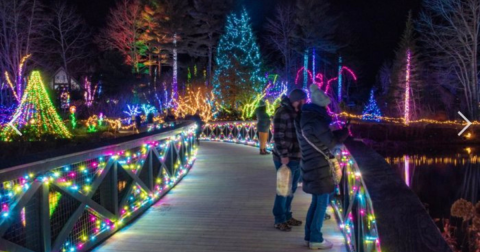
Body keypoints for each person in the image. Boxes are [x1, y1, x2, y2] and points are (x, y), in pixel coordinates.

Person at [296, 84, 349, 250]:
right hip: (319, 166)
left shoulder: (306, 116)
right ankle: (316, 239)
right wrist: (344, 133)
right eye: (326, 106)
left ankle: (309, 236)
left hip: (311, 163)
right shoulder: (315, 121)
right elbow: (330, 142)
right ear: (322, 106)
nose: (328, 108)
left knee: (316, 201)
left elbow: (322, 139)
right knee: (321, 203)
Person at [272, 89, 307, 232]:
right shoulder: (283, 113)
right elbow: (278, 136)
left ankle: (287, 215)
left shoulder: (296, 112)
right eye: (303, 100)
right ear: (297, 100)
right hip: (285, 157)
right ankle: (279, 219)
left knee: (291, 189)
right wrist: (284, 155)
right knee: (283, 189)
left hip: (296, 156)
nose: (305, 103)